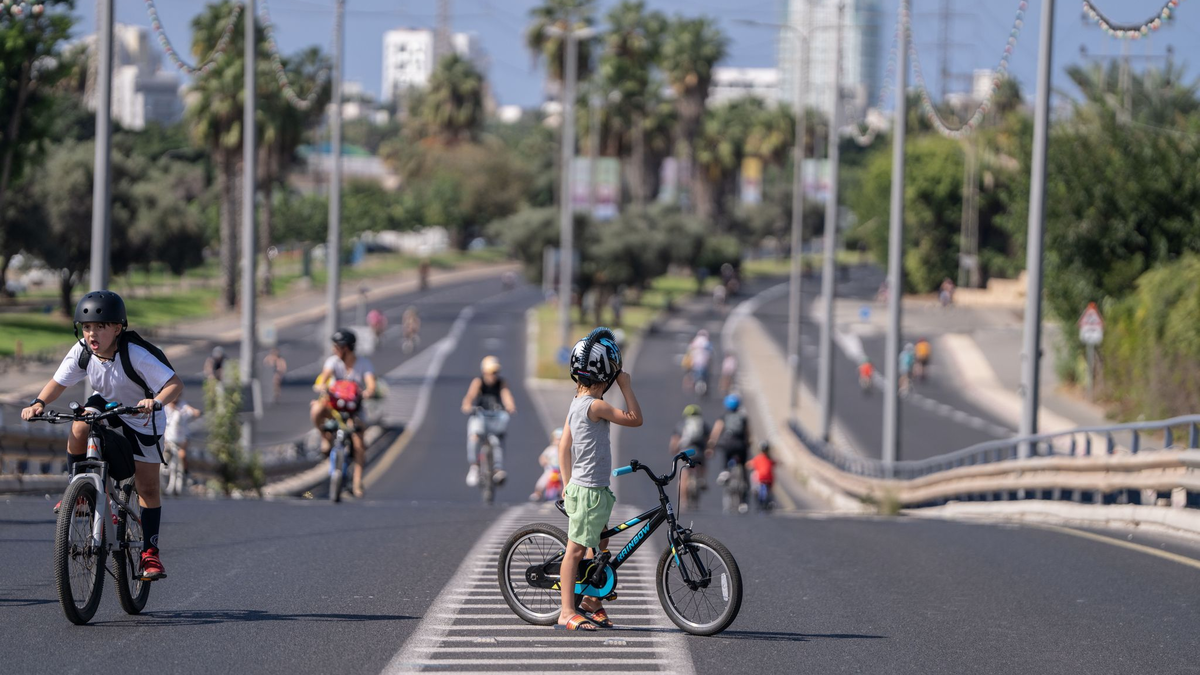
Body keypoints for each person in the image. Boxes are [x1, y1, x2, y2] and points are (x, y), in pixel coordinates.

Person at [21, 290, 183, 581]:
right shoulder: (83, 351)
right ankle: (78, 491)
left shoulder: (135, 353)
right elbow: (58, 382)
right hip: (107, 401)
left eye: (100, 326)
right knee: (80, 423)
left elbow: (174, 384)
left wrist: (155, 401)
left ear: (117, 328)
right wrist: (38, 403)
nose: (91, 333)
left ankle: (150, 554)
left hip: (142, 416)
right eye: (86, 327)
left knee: (147, 488)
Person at [557, 329, 641, 630]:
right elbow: (635, 418)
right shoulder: (596, 406)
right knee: (576, 551)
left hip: (593, 490)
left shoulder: (575, 403)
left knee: (600, 544)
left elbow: (563, 446)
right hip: (590, 491)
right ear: (607, 376)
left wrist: (567, 484)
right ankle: (567, 611)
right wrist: (627, 386)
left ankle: (592, 601)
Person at [311, 328, 377, 498]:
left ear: (346, 348)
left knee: (359, 444)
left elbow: (371, 384)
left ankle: (356, 483)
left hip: (354, 410)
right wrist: (321, 386)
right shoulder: (333, 362)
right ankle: (325, 438)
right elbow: (324, 377)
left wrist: (369, 391)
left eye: (337, 347)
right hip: (335, 408)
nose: (334, 350)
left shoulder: (363, 364)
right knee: (316, 409)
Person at [461, 356, 517, 487]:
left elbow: (506, 395)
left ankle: (498, 469)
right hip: (480, 415)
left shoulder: (501, 383)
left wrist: (510, 406)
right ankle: (474, 466)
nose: (494, 375)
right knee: (474, 437)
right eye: (491, 372)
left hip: (496, 416)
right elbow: (470, 396)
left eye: (495, 372)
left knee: (498, 440)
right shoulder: (478, 382)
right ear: (484, 372)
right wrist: (467, 405)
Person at [709, 394, 750, 513]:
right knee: (743, 469)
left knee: (726, 459)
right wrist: (747, 443)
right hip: (741, 445)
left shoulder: (724, 417)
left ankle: (725, 471)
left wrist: (711, 445)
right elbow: (748, 433)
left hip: (728, 444)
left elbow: (716, 432)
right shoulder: (743, 417)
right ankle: (743, 501)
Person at [669, 404, 711, 511]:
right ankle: (702, 479)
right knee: (703, 463)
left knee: (683, 476)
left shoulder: (681, 425)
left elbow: (675, 440)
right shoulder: (703, 424)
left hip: (685, 453)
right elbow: (709, 440)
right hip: (699, 452)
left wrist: (673, 450)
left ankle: (683, 501)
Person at [163, 399, 202, 495]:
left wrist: (196, 412)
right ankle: (163, 469)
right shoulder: (164, 407)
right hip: (168, 437)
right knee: (163, 452)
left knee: (182, 454)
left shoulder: (182, 405)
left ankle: (185, 472)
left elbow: (191, 410)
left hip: (181, 437)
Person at [529, 428, 564, 502]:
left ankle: (562, 496)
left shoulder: (564, 450)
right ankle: (538, 493)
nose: (558, 441)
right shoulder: (550, 449)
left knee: (562, 483)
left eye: (560, 439)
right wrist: (545, 462)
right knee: (542, 481)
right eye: (557, 439)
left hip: (560, 471)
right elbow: (543, 457)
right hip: (550, 470)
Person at [747, 441, 776, 511]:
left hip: (760, 478)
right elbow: (775, 463)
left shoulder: (758, 458)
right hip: (768, 479)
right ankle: (769, 500)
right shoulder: (769, 459)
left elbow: (749, 464)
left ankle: (754, 490)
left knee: (753, 476)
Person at [684, 329, 713, 395]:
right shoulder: (707, 342)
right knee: (706, 376)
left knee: (694, 374)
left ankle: (693, 384)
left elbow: (689, 351)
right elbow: (711, 352)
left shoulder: (694, 341)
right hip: (704, 362)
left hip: (695, 362)